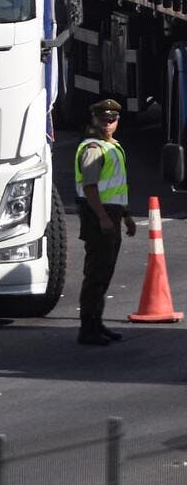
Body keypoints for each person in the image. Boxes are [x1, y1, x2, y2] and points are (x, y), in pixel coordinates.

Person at [74, 98, 135, 346]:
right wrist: (102, 218)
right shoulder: (93, 149)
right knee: (96, 273)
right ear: (94, 120)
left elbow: (117, 186)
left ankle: (97, 323)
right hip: (98, 216)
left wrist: (127, 215)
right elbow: (89, 189)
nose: (107, 124)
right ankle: (88, 328)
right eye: (103, 120)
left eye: (112, 120)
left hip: (112, 214)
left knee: (104, 272)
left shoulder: (113, 146)